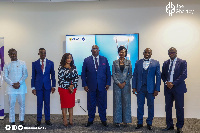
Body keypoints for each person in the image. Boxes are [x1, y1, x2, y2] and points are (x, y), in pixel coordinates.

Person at [81, 45, 111, 127]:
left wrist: (108, 83)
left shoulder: (104, 59)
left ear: (99, 50)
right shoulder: (86, 60)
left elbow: (108, 72)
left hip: (103, 86)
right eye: (93, 49)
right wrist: (85, 85)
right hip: (91, 86)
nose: (95, 50)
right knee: (91, 104)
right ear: (91, 50)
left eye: (96, 49)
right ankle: (90, 120)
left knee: (102, 103)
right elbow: (83, 74)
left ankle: (103, 120)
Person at [132, 48, 161, 130]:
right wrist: (134, 87)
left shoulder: (156, 63)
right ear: (143, 53)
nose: (147, 54)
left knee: (150, 106)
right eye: (146, 52)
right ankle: (139, 122)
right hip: (140, 88)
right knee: (140, 106)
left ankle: (149, 123)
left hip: (151, 89)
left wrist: (157, 89)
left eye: (149, 52)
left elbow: (158, 77)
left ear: (151, 54)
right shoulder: (138, 62)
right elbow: (135, 76)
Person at [161, 47, 187, 133]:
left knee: (179, 107)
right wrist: (167, 82)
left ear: (176, 53)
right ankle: (169, 125)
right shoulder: (165, 63)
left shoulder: (182, 62)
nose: (171, 54)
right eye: (170, 52)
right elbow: (163, 75)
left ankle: (179, 126)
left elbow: (184, 75)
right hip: (168, 88)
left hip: (178, 88)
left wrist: (173, 83)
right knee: (168, 107)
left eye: (173, 52)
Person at [31, 48, 56, 127]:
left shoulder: (50, 63)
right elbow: (33, 76)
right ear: (39, 54)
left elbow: (53, 75)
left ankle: (47, 120)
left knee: (47, 104)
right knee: (39, 104)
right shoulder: (34, 63)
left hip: (47, 86)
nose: (43, 54)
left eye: (44, 53)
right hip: (38, 87)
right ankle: (38, 120)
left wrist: (53, 86)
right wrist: (33, 87)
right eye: (41, 53)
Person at [3, 48, 28, 126]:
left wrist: (19, 83)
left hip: (21, 87)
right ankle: (12, 121)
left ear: (16, 53)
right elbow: (5, 76)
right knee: (11, 105)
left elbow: (25, 74)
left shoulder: (22, 63)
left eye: (14, 53)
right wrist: (12, 84)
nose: (13, 55)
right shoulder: (7, 64)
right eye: (11, 54)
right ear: (9, 55)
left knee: (22, 105)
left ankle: (21, 121)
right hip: (11, 88)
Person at [112, 46, 132, 127]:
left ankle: (126, 121)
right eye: (120, 52)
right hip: (117, 85)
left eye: (123, 52)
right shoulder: (115, 62)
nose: (121, 53)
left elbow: (130, 74)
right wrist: (118, 83)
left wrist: (124, 82)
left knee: (126, 103)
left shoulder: (129, 62)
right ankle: (117, 121)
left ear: (125, 53)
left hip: (126, 85)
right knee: (117, 103)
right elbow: (113, 74)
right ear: (118, 53)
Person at [58, 53, 79, 127]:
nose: (69, 59)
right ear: (65, 59)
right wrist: (68, 87)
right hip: (63, 89)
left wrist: (72, 85)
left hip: (72, 89)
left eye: (70, 58)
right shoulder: (61, 68)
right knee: (64, 105)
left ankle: (70, 120)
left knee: (71, 105)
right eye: (67, 58)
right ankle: (65, 120)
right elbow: (61, 79)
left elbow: (76, 77)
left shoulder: (74, 67)